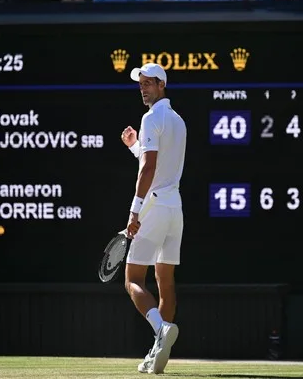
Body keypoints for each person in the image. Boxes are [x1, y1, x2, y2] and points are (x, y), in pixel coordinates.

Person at [120, 62, 187, 375]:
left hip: (154, 208)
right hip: (175, 209)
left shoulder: (151, 118)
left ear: (162, 85)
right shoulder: (178, 121)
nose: (143, 88)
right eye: (141, 83)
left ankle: (160, 329)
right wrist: (135, 147)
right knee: (165, 283)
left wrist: (134, 211)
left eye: (149, 83)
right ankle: (158, 351)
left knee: (132, 279)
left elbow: (149, 170)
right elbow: (155, 163)